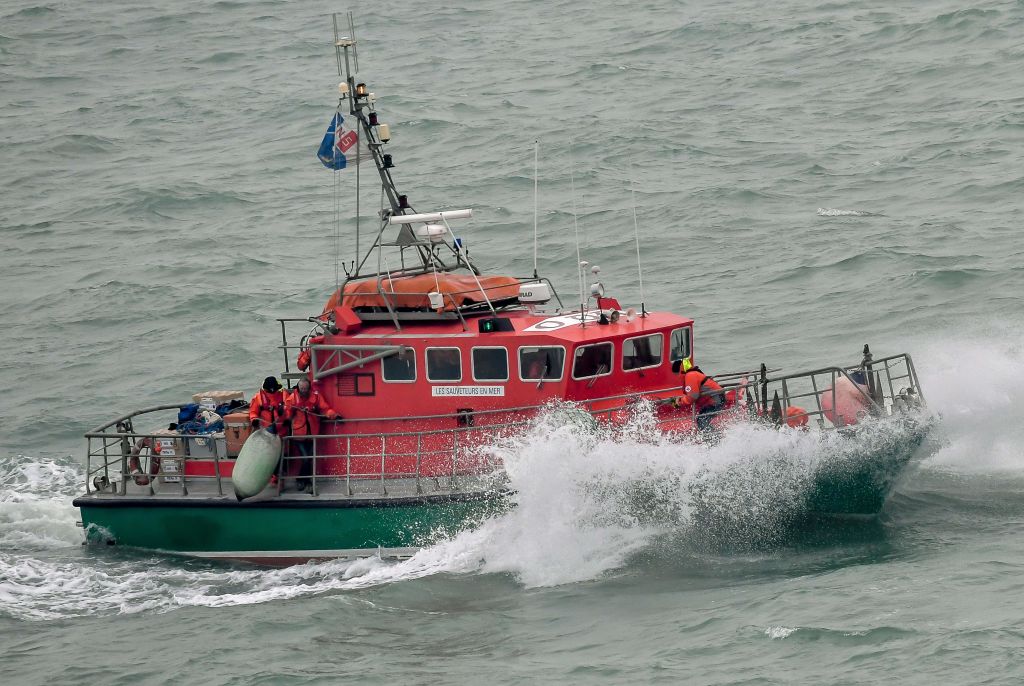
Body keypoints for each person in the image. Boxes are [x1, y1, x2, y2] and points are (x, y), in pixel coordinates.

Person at [284, 378, 339, 491]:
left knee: (309, 458)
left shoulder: (316, 397)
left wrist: (334, 415)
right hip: (299, 435)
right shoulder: (292, 399)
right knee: (306, 458)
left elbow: (325, 408)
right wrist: (289, 415)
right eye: (301, 388)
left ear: (309, 387)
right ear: (298, 388)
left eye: (305, 388)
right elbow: (287, 413)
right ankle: (304, 481)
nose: (303, 390)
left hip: (312, 433)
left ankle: (302, 480)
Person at [675, 358, 725, 433]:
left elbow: (693, 396)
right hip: (715, 398)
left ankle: (713, 438)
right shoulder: (693, 374)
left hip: (716, 400)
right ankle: (713, 435)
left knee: (702, 419)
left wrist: (680, 402)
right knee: (701, 418)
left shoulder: (690, 375)